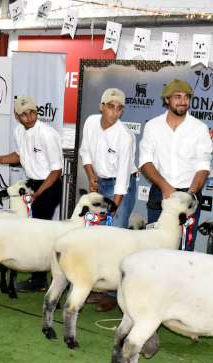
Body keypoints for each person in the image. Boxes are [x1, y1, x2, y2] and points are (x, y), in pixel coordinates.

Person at [0, 95, 64, 293]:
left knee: (39, 233)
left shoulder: (47, 135)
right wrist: (0, 159)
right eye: (24, 114)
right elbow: (21, 156)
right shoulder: (18, 131)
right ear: (16, 115)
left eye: (32, 112)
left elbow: (57, 171)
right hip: (32, 185)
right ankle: (38, 278)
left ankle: (41, 280)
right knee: (32, 232)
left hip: (49, 185)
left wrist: (38, 194)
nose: (29, 117)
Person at [80, 88, 137, 312]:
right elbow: (85, 152)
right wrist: (91, 176)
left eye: (119, 108)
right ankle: (103, 288)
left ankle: (114, 294)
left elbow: (123, 178)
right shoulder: (91, 123)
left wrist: (113, 207)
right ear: (101, 106)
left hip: (120, 187)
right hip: (101, 183)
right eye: (110, 107)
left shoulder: (125, 137)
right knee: (99, 239)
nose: (114, 113)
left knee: (116, 241)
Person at [138, 79, 213, 251]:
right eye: (177, 97)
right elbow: (145, 161)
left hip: (189, 193)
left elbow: (203, 166)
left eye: (186, 97)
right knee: (155, 248)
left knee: (184, 249)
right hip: (160, 193)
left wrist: (190, 195)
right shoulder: (153, 126)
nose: (183, 101)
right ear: (167, 100)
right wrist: (164, 187)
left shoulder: (199, 128)